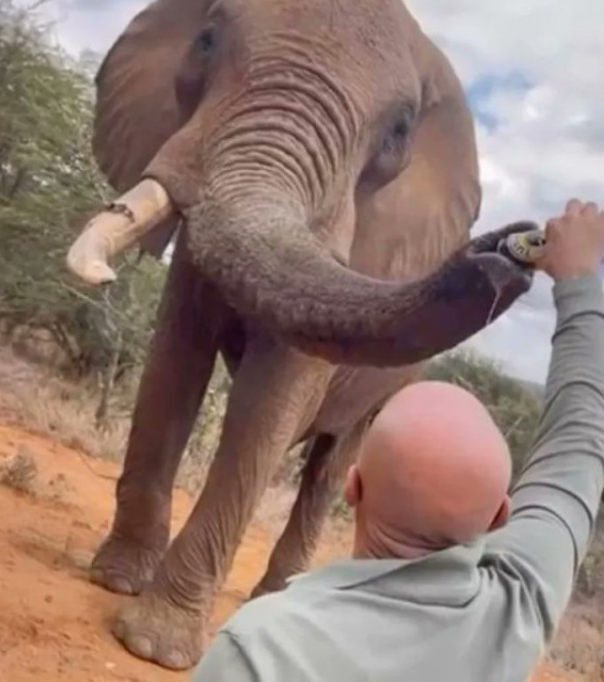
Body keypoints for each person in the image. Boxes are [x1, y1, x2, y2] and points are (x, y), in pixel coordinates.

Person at [192, 198, 604, 682]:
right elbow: (581, 437)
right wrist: (581, 283)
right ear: (499, 518)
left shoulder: (260, 648)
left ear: (352, 487)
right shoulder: (516, 612)